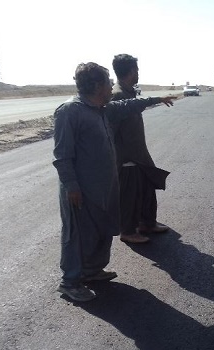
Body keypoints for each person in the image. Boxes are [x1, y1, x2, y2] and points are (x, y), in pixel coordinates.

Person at [53, 62, 176, 302]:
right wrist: (72, 187)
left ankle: (92, 271)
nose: (112, 87)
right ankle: (70, 282)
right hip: (80, 190)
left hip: (104, 187)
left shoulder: (102, 109)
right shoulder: (70, 112)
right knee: (77, 235)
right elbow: (62, 156)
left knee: (102, 230)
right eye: (108, 82)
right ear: (97, 86)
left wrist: (157, 99)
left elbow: (128, 105)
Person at [111, 54, 171, 244]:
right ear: (130, 71)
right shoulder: (117, 94)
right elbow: (111, 130)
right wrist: (120, 157)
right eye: (136, 70)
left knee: (147, 188)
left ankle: (147, 223)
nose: (138, 73)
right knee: (129, 194)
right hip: (127, 156)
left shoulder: (128, 92)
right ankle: (128, 231)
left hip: (138, 152)